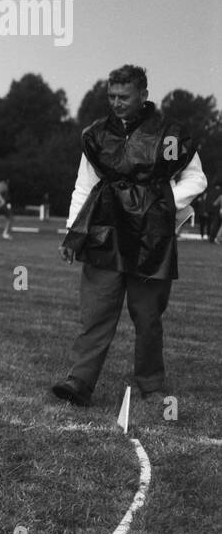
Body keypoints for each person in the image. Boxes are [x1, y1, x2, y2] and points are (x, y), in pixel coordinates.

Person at [53, 65, 207, 406]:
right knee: (96, 310)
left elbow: (196, 180)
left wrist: (160, 206)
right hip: (105, 233)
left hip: (151, 239)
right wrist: (71, 232)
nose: (117, 103)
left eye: (124, 96)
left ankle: (151, 386)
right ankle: (79, 380)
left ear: (143, 95)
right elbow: (84, 186)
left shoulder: (169, 135)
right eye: (112, 96)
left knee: (148, 315)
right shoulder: (96, 136)